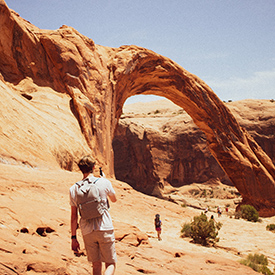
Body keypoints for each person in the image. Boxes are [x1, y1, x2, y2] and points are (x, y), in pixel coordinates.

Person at [70, 155, 117, 275]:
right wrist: (105, 181)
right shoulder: (103, 182)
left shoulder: (74, 188)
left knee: (96, 265)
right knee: (110, 263)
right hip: (104, 227)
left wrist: (74, 238)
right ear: (94, 167)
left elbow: (74, 216)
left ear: (80, 169)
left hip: (87, 231)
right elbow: (114, 199)